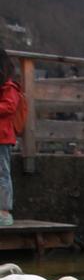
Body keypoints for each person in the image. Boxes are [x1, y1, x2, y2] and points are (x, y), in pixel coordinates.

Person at [0, 49, 20, 226]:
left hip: (3, 137)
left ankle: (4, 212)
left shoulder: (9, 86)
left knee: (2, 174)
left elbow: (9, 107)